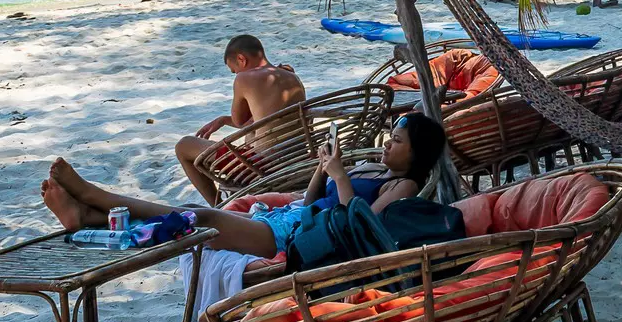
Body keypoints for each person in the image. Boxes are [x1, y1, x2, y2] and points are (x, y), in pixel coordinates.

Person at [42, 114, 451, 267]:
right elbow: (312, 199)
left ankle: (95, 198)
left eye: (396, 142)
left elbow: (362, 226)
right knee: (189, 211)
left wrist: (341, 176)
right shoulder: (374, 168)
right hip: (291, 217)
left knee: (197, 216)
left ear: (418, 153)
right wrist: (322, 169)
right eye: (390, 137)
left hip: (295, 237)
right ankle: (91, 216)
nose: (386, 145)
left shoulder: (406, 185)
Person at [174, 34, 307, 203]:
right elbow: (263, 120)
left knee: (184, 146)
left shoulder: (245, 78)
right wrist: (222, 120)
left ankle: (218, 206)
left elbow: (239, 121)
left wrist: (226, 119)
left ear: (241, 59)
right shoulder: (292, 76)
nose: (235, 74)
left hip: (260, 168)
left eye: (234, 70)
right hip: (298, 159)